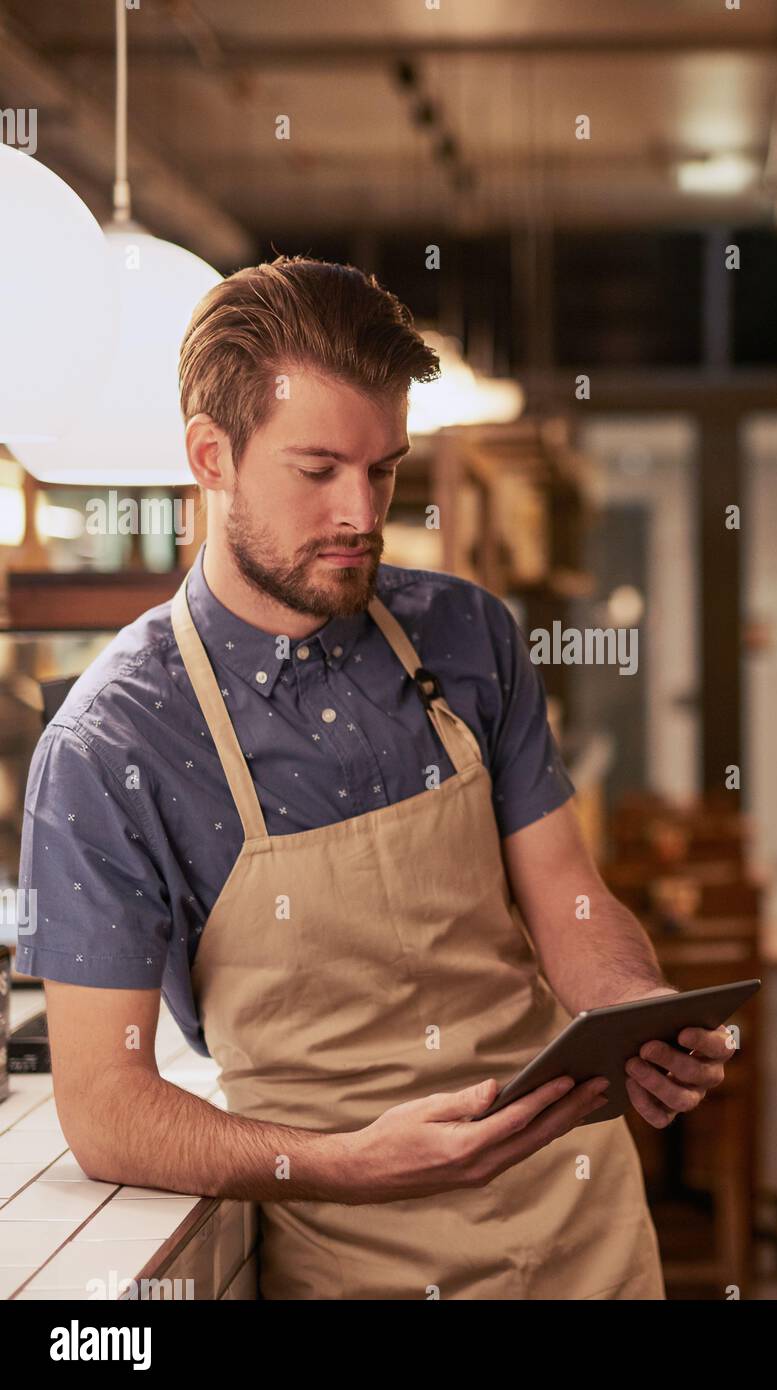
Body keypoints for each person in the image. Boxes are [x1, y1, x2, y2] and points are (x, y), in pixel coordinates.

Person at [18, 256, 735, 1299]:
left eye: (385, 468)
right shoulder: (109, 745)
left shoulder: (467, 632)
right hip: (363, 1251)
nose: (362, 513)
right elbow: (104, 1106)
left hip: (583, 1225)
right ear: (209, 457)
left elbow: (568, 894)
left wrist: (632, 1005)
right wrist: (346, 1161)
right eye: (317, 472)